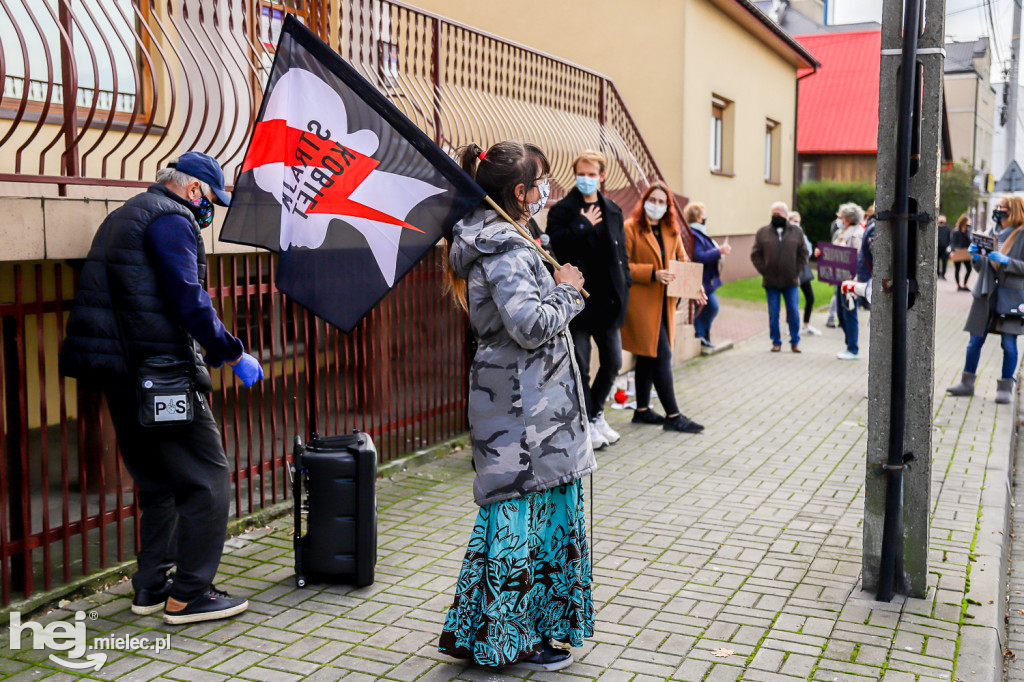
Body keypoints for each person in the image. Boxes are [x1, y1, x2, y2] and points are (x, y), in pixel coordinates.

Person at [60, 152, 262, 624]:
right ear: (194, 190)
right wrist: (231, 353)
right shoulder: (172, 220)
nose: (209, 210)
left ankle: (152, 586)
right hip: (160, 375)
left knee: (157, 483)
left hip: (122, 375)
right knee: (208, 479)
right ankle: (190, 594)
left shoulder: (124, 215)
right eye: (210, 199)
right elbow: (189, 299)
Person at [438, 141, 594, 672]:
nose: (548, 190)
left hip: (532, 410)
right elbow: (528, 328)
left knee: (524, 520)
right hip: (524, 416)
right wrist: (568, 291)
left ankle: (483, 632)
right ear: (520, 193)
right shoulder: (503, 250)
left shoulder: (510, 242)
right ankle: (514, 639)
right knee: (518, 523)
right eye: (541, 182)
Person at [547, 150, 631, 451]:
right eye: (581, 174)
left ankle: (594, 414)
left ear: (602, 176)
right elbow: (555, 246)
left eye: (591, 174)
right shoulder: (563, 210)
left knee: (612, 363)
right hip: (578, 303)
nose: (585, 179)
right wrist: (581, 225)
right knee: (580, 366)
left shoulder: (612, 209)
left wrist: (627, 287)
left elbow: (621, 256)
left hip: (608, 302)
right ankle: (584, 424)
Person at [622, 182, 705, 433]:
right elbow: (623, 266)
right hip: (641, 304)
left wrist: (695, 286)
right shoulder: (630, 228)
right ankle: (673, 415)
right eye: (653, 200)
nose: (656, 205)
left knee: (648, 356)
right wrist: (653, 274)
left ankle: (642, 410)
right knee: (662, 354)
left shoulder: (672, 230)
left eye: (662, 202)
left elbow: (683, 261)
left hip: (665, 303)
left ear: (668, 206)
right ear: (644, 200)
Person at [947, 196, 1024, 404]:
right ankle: (967, 383)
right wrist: (975, 257)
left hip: (1012, 298)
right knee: (974, 341)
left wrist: (1007, 261)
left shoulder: (1022, 233)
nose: (999, 210)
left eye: (1003, 208)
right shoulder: (992, 232)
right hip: (985, 294)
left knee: (1009, 344)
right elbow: (982, 268)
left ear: (1014, 210)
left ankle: (1005, 387)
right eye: (998, 207)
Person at [751, 201, 809, 353]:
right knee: (773, 313)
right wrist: (764, 269)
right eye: (773, 214)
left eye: (779, 214)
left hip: (791, 281)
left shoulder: (796, 232)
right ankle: (776, 341)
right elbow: (755, 254)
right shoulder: (763, 232)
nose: (776, 216)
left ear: (786, 215)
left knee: (793, 313)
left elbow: (804, 253)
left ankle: (795, 341)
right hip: (771, 281)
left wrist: (796, 270)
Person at [685, 201, 732, 350]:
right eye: (704, 215)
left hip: (705, 278)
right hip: (700, 279)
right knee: (711, 306)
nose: (706, 218)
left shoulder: (699, 233)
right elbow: (699, 256)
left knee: (706, 307)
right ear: (698, 218)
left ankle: (703, 335)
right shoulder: (694, 234)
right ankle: (700, 335)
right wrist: (719, 252)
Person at [833, 203, 865, 360]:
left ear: (849, 219)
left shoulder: (856, 234)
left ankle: (853, 348)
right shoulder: (843, 232)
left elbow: (859, 257)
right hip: (840, 278)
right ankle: (849, 345)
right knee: (841, 313)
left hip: (851, 280)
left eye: (842, 217)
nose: (840, 219)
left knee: (849, 312)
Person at [789, 211, 821, 336]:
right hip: (791, 270)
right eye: (794, 220)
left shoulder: (801, 234)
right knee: (792, 298)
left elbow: (808, 251)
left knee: (810, 297)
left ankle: (806, 325)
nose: (797, 223)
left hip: (803, 270)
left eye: (798, 221)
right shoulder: (786, 235)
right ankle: (791, 326)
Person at [951, 213, 973, 291]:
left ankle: (964, 285)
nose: (970, 222)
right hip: (958, 251)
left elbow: (970, 241)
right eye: (968, 221)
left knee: (969, 269)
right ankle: (958, 285)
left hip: (966, 251)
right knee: (957, 269)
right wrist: (952, 251)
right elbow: (953, 242)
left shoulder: (968, 230)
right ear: (964, 221)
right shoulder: (956, 231)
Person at [937, 214, 951, 279]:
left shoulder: (947, 229)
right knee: (937, 261)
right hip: (937, 247)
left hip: (945, 247)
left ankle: (943, 274)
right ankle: (937, 273)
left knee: (944, 261)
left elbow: (949, 238)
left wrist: (949, 246)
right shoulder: (936, 228)